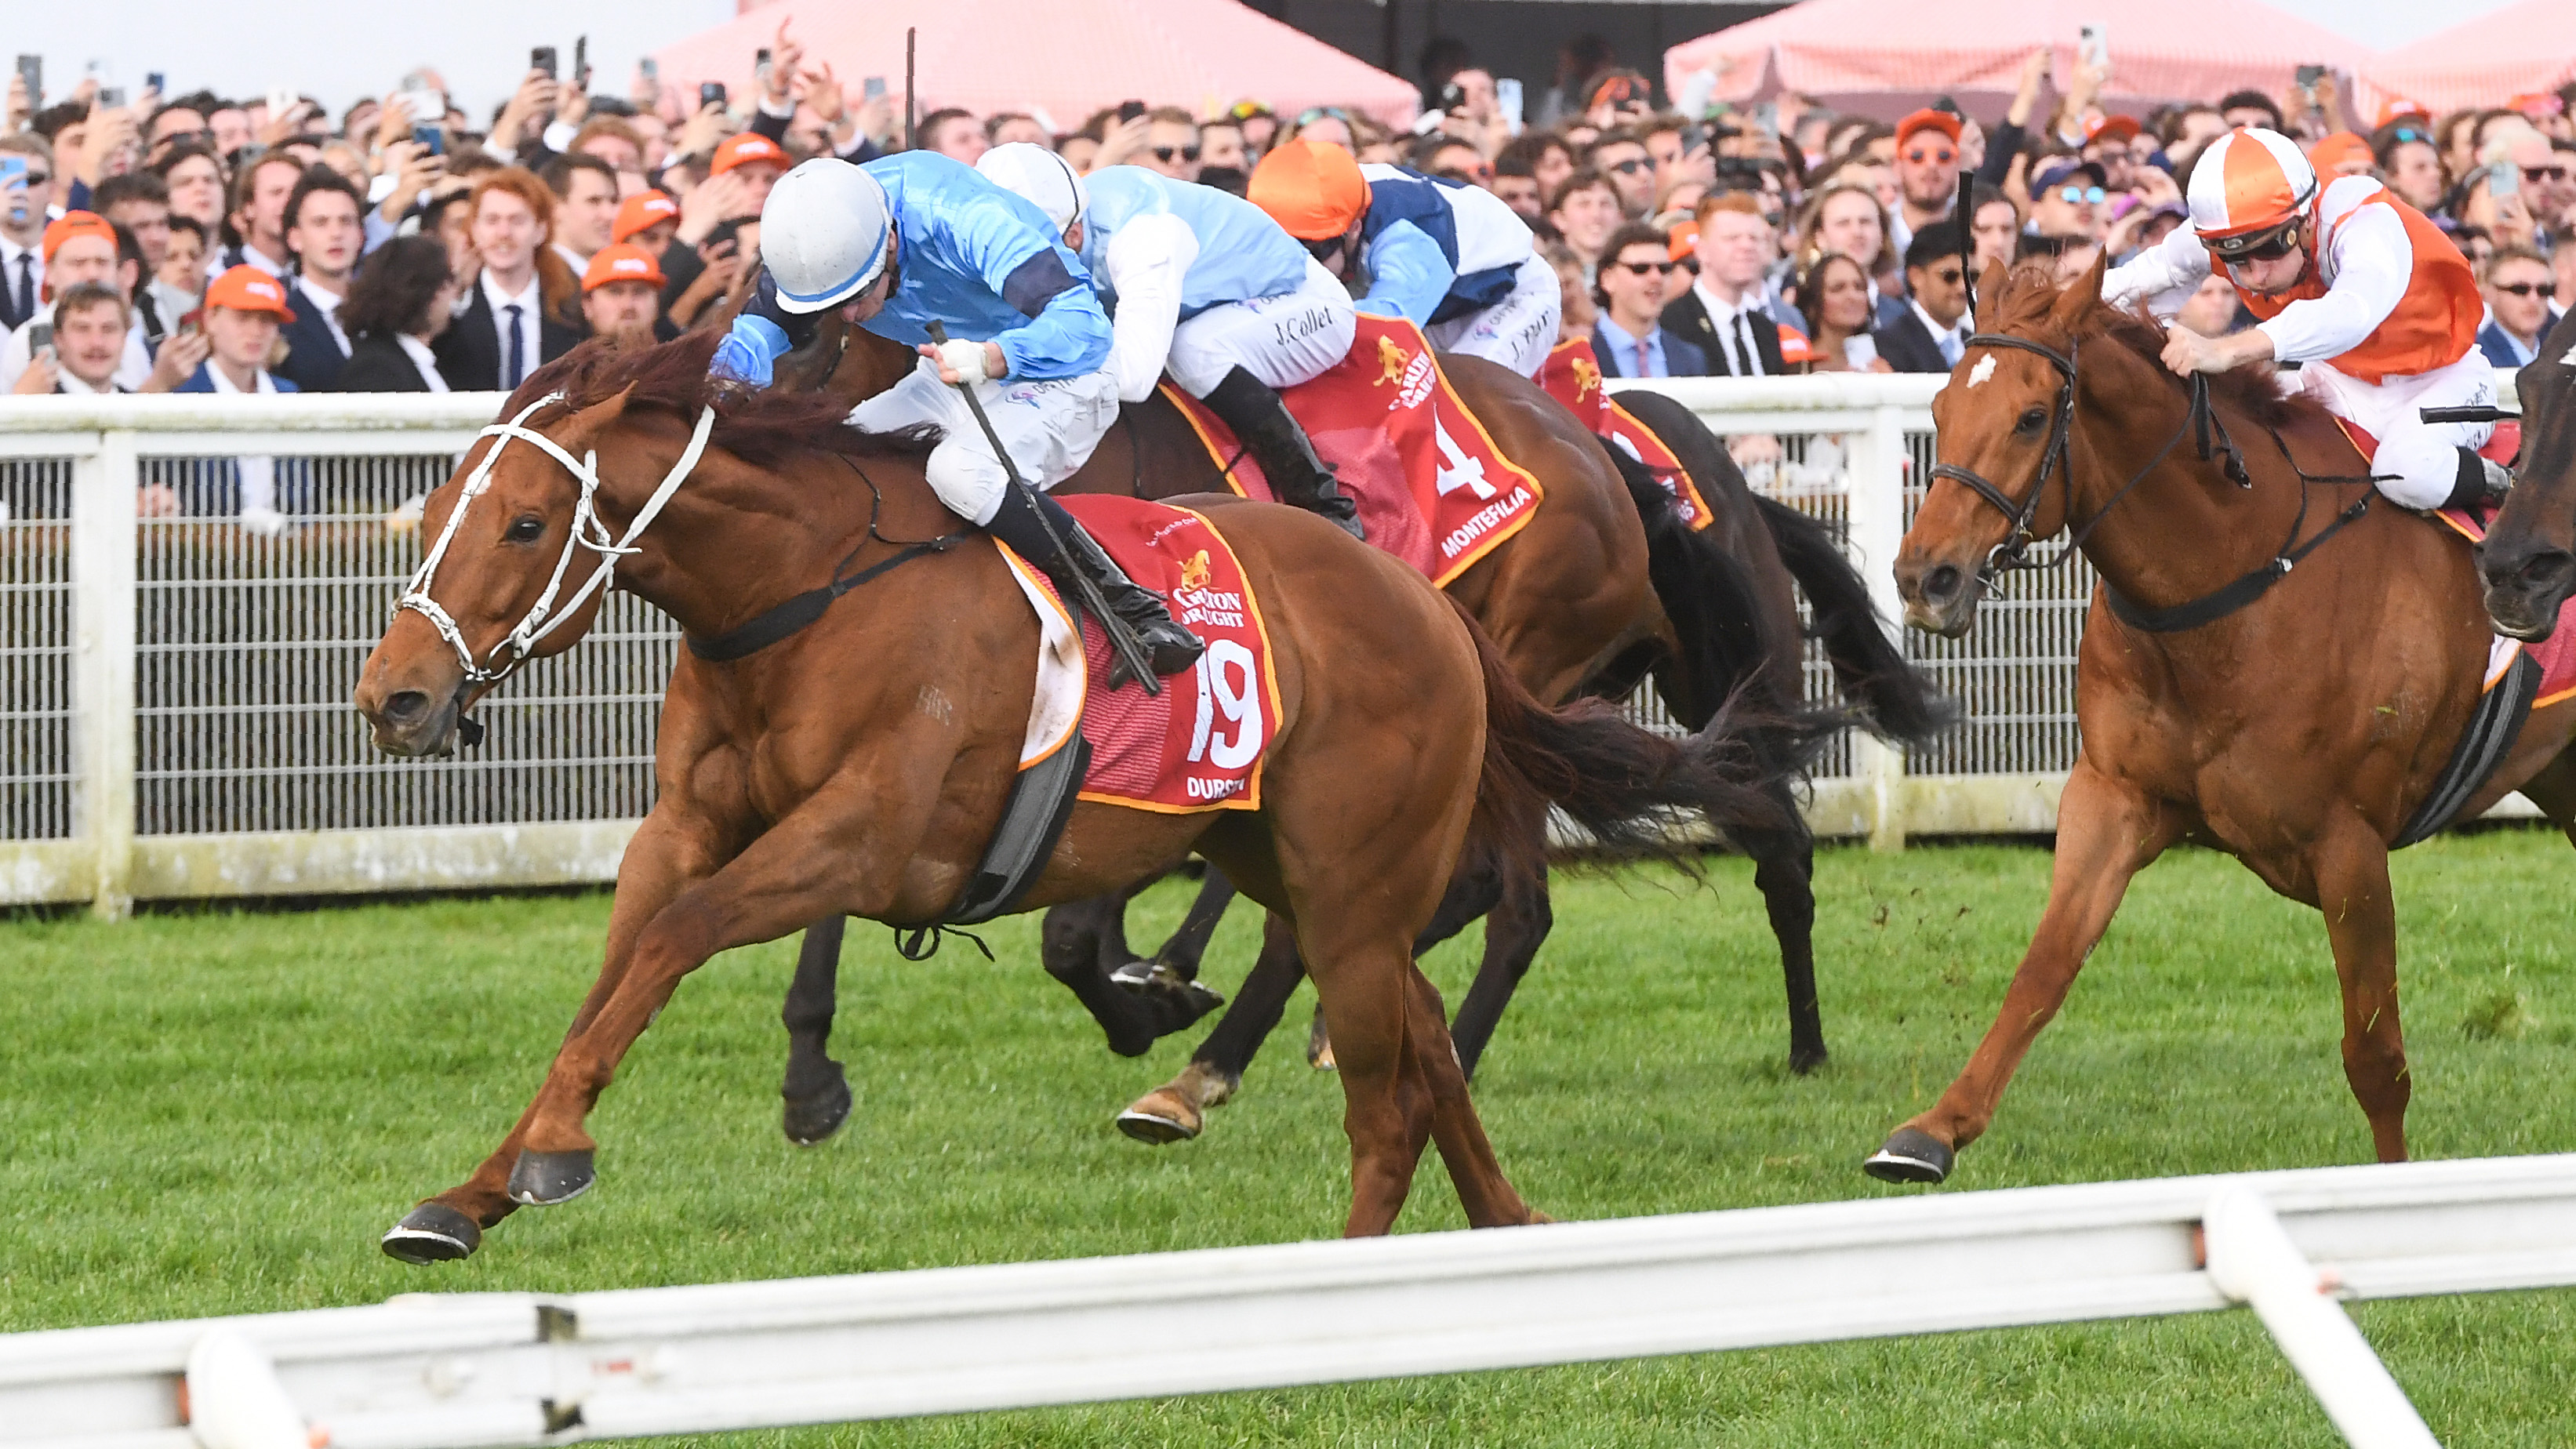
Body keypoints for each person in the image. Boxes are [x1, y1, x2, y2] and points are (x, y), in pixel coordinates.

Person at [713, 152, 1202, 686]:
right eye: (836, 305)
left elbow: (1084, 328)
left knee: (962, 472)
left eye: (857, 295)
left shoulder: (966, 220)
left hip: (1069, 365)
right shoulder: (816, 240)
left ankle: (1131, 607)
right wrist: (717, 395)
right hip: (953, 363)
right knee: (842, 450)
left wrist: (994, 357)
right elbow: (753, 338)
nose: (849, 316)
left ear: (892, 242)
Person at [2103, 127, 2499, 512]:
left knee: (2404, 473)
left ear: (2307, 220)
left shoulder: (2364, 219)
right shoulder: (2224, 230)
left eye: (2273, 246)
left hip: (2443, 378)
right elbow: (2126, 284)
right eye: (2235, 258)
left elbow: (2352, 313)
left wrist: (2226, 350)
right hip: (2343, 380)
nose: (2256, 274)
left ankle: (2507, 491)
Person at [976, 145, 1362, 536]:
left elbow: (1132, 377)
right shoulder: (1067, 213)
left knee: (1193, 349)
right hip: (1219, 301)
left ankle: (1324, 504)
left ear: (1073, 235)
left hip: (1306, 303)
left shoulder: (1144, 236)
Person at [1248, 140, 1558, 377]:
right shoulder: (1320, 206)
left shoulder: (1406, 238)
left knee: (1456, 397)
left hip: (1508, 297)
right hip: (1437, 305)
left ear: (1354, 229)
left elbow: (1382, 327)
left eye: (1314, 251)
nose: (1301, 266)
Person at [172, 266, 304, 528]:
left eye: (266, 320)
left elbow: (303, 496)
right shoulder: (182, 400)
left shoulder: (289, 395)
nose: (255, 331)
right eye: (242, 318)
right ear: (210, 320)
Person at [434, 169, 583, 393]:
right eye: (492, 220)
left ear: (541, 230)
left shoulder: (571, 306)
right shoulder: (453, 310)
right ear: (474, 229)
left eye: (517, 221)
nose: (504, 232)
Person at [1665, 193, 1789, 376]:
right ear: (1702, 251)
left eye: (1754, 238)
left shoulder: (1766, 329)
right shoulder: (1674, 323)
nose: (1747, 246)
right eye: (1732, 238)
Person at [275, 167, 365, 392]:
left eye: (346, 221)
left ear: (361, 236)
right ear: (295, 238)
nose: (336, 233)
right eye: (320, 223)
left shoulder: (383, 315)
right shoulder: (281, 324)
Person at [332, 235, 460, 392]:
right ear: (429, 292)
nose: (454, 293)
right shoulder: (376, 368)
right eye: (448, 282)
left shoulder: (420, 357)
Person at [1589, 222, 1704, 378]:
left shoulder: (1691, 358)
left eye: (1664, 269)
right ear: (1607, 279)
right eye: (1640, 269)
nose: (1656, 278)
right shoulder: (1579, 353)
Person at [1877, 221, 1971, 372]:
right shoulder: (1889, 344)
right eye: (1950, 276)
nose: (1963, 287)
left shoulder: (1980, 345)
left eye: (1971, 277)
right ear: (1916, 277)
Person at [9, 281, 130, 394]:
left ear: (124, 337)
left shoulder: (143, 406)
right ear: (58, 339)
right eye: (82, 329)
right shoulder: (33, 408)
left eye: (108, 329)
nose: (97, 343)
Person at [0, 133, 56, 334]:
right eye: (5, 176)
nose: (19, 191)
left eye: (32, 180)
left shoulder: (73, 253)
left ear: (52, 190)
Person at [1796, 252, 1887, 372]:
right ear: (1814, 301)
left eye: (1859, 287)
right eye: (1838, 288)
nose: (1852, 296)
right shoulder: (1800, 363)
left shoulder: (1887, 353)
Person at [1891, 108, 1962, 257]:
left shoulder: (1974, 228)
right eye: (1917, 155)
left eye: (1944, 155)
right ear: (1897, 167)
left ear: (1958, 166)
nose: (1931, 165)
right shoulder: (1878, 229)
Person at [2476, 246, 2559, 369]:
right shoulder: (2478, 359)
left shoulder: (2562, 353)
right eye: (2520, 289)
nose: (2534, 299)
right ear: (2490, 293)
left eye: (2543, 290)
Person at [580, 242, 670, 344]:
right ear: (588, 304)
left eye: (640, 292)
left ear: (657, 302)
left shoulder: (682, 358)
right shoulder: (562, 357)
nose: (628, 305)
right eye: (615, 292)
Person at [544, 153, 622, 271]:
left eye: (613, 201)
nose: (609, 215)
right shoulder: (537, 279)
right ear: (555, 207)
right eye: (594, 201)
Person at [1545, 169, 1620, 278]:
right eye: (1583, 204)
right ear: (1560, 219)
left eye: (1605, 204)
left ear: (1620, 217)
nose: (1596, 214)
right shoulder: (1544, 274)